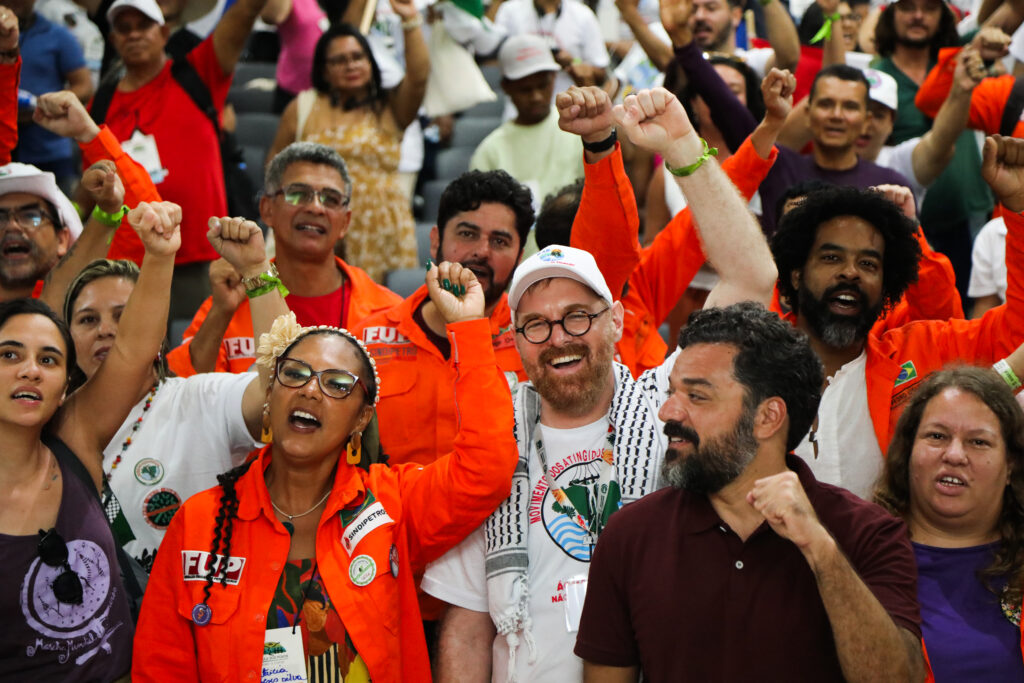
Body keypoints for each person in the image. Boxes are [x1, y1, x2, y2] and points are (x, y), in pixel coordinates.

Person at [425, 86, 778, 682]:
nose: (559, 336)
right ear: (514, 339)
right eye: (535, 323)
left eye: (578, 316)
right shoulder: (492, 440)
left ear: (616, 321)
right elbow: (467, 623)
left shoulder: (673, 403)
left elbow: (751, 274)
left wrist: (684, 148)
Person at [131, 262, 519, 681]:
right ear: (269, 397)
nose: (311, 390)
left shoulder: (391, 504)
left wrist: (468, 331)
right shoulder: (198, 524)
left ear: (360, 420)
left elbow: (487, 467)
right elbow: (160, 669)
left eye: (336, 384)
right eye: (294, 374)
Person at [574, 302, 925, 682]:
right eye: (673, 392)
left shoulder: (870, 533)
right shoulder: (630, 535)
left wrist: (820, 550)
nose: (667, 412)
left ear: (768, 417)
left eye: (697, 396)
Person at [769, 134, 1024, 498]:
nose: (851, 273)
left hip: (899, 553)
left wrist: (1019, 208)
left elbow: (1016, 331)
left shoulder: (921, 351)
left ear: (886, 285)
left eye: (868, 263)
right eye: (831, 257)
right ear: (795, 274)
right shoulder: (753, 364)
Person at [0, 200, 179, 679]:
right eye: (10, 354)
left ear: (65, 389)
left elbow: (134, 351)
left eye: (50, 359)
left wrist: (160, 257)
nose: (31, 369)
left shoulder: (74, 436)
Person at [62, 216, 287, 573]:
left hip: (200, 617)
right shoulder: (50, 422)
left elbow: (282, 397)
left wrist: (258, 272)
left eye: (124, 315)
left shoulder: (200, 399)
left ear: (153, 322)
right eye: (87, 320)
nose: (105, 330)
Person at [96, 0, 270, 320]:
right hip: (128, 265)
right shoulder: (101, 102)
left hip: (201, 257)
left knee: (202, 359)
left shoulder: (199, 72)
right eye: (124, 28)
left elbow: (246, 11)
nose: (134, 34)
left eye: (143, 26)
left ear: (163, 32)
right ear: (113, 40)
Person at [166, 142, 400, 376]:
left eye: (330, 199)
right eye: (298, 194)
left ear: (346, 222)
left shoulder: (389, 313)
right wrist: (221, 312)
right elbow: (183, 393)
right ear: (267, 209)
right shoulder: (229, 302)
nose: (316, 208)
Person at [351, 169, 534, 466]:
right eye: (467, 234)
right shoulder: (365, 341)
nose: (481, 252)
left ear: (519, 257)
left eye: (500, 241)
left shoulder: (533, 342)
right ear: (434, 241)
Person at [873, 365, 1024, 680]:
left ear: (1011, 464)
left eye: (978, 442)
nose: (955, 455)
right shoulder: (859, 558)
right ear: (907, 450)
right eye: (937, 436)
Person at [267, 17, 428, 282]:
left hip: (379, 231)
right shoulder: (303, 108)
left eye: (357, 57)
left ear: (370, 62)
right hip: (313, 222)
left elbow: (420, 77)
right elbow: (276, 167)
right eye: (339, 60)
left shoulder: (390, 108)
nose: (351, 65)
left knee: (376, 314)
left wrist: (410, 20)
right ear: (324, 70)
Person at [872, 0, 992, 296]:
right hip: (907, 227)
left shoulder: (958, 59)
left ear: (944, 16)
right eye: (908, 7)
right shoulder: (876, 78)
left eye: (928, 8)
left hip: (970, 218)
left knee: (970, 318)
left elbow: (1012, 12)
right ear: (889, 14)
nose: (917, 16)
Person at [470, 33, 584, 250]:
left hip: (577, 259)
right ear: (506, 87)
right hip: (518, 271)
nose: (536, 96)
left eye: (542, 85)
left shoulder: (578, 131)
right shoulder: (490, 151)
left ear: (553, 77)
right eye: (525, 89)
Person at [11, 0, 92, 192]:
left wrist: (43, 105)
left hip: (50, 150)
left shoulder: (57, 35)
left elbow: (84, 86)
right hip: (5, 151)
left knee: (60, 217)